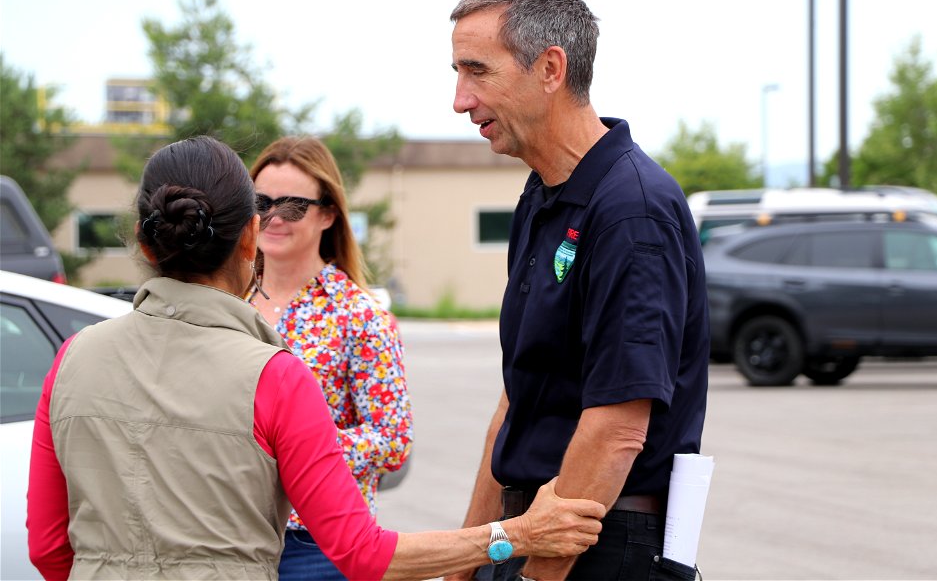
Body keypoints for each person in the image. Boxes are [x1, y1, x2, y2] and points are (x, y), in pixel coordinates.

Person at [25, 135, 605, 581]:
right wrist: (516, 534)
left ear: (145, 241)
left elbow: (49, 549)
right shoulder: (272, 373)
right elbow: (361, 552)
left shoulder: (72, 359)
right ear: (250, 235)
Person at [446, 0, 710, 581]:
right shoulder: (543, 195)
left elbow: (618, 427)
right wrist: (465, 562)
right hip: (523, 541)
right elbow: (519, 396)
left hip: (595, 551)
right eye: (457, 73)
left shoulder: (631, 211)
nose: (460, 99)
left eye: (477, 70)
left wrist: (542, 573)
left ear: (550, 68)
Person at [246, 135, 412, 580]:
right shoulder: (224, 301)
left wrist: (297, 449)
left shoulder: (359, 316)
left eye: (292, 206)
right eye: (261, 201)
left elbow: (392, 439)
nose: (273, 217)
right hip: (226, 536)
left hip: (318, 546)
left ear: (328, 213)